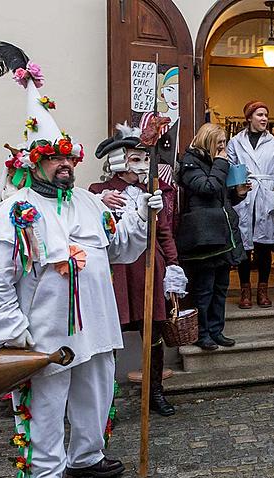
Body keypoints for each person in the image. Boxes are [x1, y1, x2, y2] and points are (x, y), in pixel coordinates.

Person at [0, 43, 160, 478]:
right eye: (55, 160)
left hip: (97, 325)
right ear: (33, 163)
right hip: (45, 331)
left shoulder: (89, 203)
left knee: (96, 394)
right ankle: (44, 476)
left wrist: (143, 213)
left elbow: (123, 250)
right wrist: (14, 334)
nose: (65, 166)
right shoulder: (15, 211)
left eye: (69, 160)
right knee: (46, 402)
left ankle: (87, 455)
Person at [89, 123, 186, 417]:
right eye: (135, 158)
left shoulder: (152, 191)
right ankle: (106, 402)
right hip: (117, 273)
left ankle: (154, 391)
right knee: (110, 337)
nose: (142, 164)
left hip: (148, 269)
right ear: (118, 159)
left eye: (145, 158)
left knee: (153, 333)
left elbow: (164, 232)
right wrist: (101, 205)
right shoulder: (98, 192)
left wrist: (173, 265)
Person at [176, 124, 248, 351]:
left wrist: (237, 195)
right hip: (204, 238)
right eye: (220, 143)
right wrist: (221, 163)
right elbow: (206, 188)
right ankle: (202, 332)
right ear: (208, 142)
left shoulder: (216, 164)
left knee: (221, 288)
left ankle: (217, 331)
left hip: (222, 236)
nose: (223, 148)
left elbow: (220, 198)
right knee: (204, 289)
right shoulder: (189, 163)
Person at [226, 100, 274, 308]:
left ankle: (263, 289)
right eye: (260, 115)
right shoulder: (235, 141)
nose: (264, 119)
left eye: (266, 115)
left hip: (265, 195)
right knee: (243, 245)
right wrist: (238, 188)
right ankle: (245, 290)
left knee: (264, 246)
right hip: (245, 195)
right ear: (249, 117)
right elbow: (231, 166)